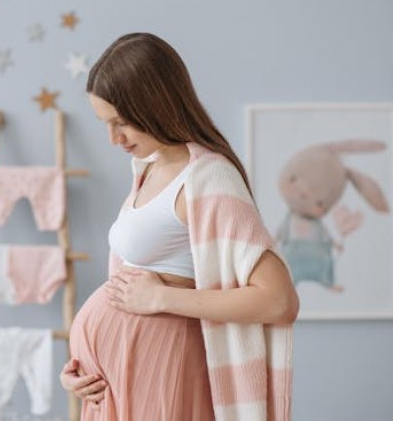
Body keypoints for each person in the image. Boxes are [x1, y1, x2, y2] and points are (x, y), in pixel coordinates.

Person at [60, 32, 299, 421]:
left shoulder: (208, 178)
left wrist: (162, 299)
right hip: (118, 384)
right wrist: (81, 369)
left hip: (164, 374)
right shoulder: (149, 169)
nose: (113, 138)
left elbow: (280, 300)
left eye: (122, 122)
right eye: (105, 123)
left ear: (156, 104)